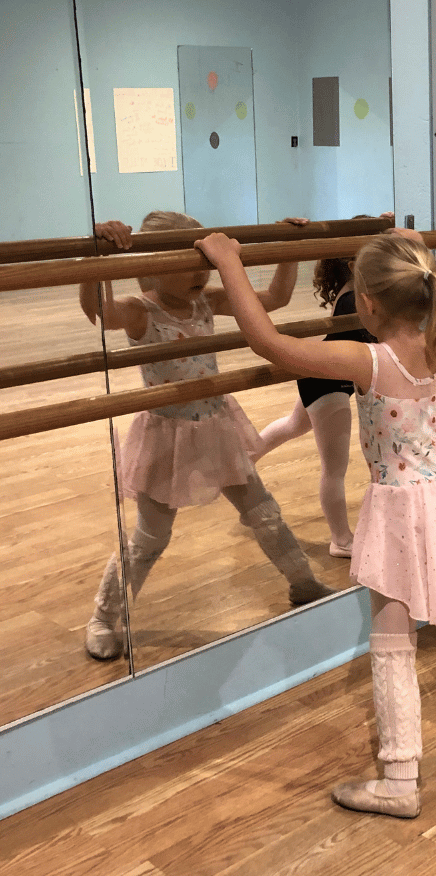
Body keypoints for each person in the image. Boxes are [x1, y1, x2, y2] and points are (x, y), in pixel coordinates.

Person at [196, 228, 436, 819]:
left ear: (365, 305)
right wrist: (408, 239)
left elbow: (268, 342)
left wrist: (229, 260)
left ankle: (399, 776)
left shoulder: (367, 359)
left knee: (391, 638)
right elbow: (414, 270)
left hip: (403, 504)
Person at [80, 213, 331, 661]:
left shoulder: (207, 302)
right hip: (166, 439)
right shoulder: (143, 310)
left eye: (204, 262)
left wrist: (286, 246)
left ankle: (302, 582)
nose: (201, 272)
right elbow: (102, 311)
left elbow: (274, 297)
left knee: (263, 512)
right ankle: (103, 615)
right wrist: (96, 254)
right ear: (152, 267)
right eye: (187, 263)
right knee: (150, 538)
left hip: (216, 427)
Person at [253, 224, 379, 558]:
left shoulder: (356, 289)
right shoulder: (356, 298)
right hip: (330, 380)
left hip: (327, 375)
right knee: (334, 468)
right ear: (357, 262)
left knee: (295, 424)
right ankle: (341, 539)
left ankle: (244, 459)